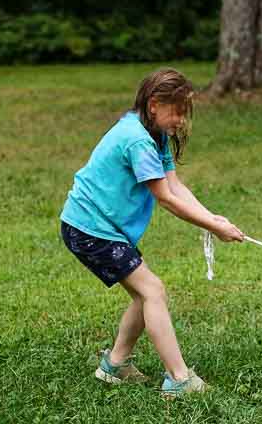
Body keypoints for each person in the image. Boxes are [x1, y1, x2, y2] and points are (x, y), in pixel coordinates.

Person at [59, 68, 245, 396]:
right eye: (177, 112)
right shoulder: (136, 139)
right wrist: (213, 227)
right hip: (90, 229)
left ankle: (115, 365)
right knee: (153, 291)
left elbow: (175, 185)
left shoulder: (153, 134)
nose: (181, 122)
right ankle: (179, 379)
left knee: (145, 295)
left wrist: (211, 217)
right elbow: (166, 198)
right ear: (154, 104)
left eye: (185, 114)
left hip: (103, 228)